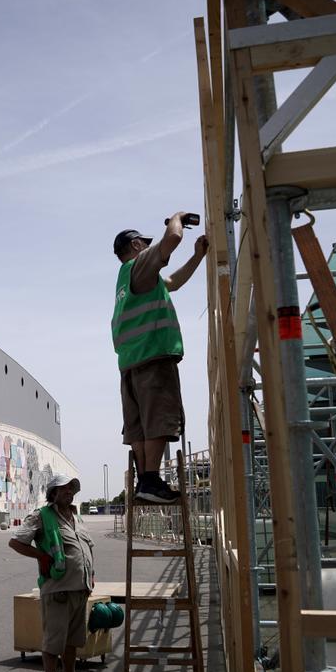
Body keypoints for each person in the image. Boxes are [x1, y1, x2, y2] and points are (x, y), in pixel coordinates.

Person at [111, 214, 208, 503]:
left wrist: (198, 256)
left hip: (131, 365)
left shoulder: (128, 281)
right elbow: (173, 238)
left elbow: (173, 282)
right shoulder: (138, 265)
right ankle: (152, 481)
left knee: (140, 426)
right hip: (153, 358)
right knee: (159, 421)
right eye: (145, 244)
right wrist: (176, 218)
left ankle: (145, 482)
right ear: (137, 245)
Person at [8, 474, 98, 672]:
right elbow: (16, 542)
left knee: (72, 642)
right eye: (64, 488)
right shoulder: (42, 516)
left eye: (71, 488)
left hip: (80, 589)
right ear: (53, 493)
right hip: (57, 590)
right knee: (53, 643)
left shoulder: (77, 517)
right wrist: (42, 557)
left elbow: (85, 547)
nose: (69, 491)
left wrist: (92, 573)